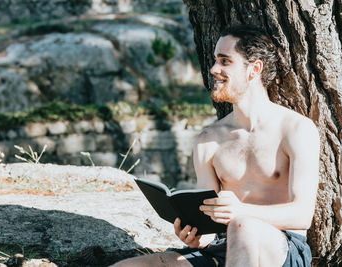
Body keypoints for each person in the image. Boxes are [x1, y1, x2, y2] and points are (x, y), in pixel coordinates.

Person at [111, 24, 320, 267]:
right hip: (223, 248)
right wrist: (197, 237)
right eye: (214, 60)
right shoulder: (208, 140)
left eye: (224, 61)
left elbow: (302, 215)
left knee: (244, 226)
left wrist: (240, 211)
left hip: (280, 246)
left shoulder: (296, 129)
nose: (213, 69)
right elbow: (209, 225)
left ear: (254, 69)